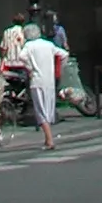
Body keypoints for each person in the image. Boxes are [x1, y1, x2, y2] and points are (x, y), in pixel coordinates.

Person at [18, 22, 63, 151]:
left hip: (37, 81)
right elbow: (63, 54)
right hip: (49, 80)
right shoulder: (48, 44)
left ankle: (49, 140)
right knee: (48, 109)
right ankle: (47, 138)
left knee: (40, 110)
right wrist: (59, 69)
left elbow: (21, 57)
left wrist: (29, 68)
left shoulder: (29, 45)